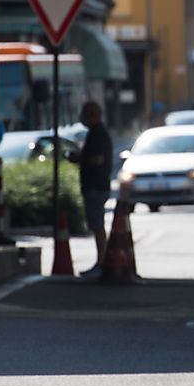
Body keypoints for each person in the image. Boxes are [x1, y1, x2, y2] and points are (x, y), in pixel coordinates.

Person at [75, 101, 112, 277]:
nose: (82, 117)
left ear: (93, 115)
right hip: (97, 185)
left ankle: (102, 261)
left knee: (97, 226)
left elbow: (97, 159)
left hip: (95, 186)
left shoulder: (97, 134)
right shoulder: (97, 133)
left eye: (85, 113)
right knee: (97, 225)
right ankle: (101, 261)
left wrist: (79, 159)